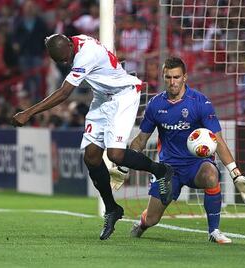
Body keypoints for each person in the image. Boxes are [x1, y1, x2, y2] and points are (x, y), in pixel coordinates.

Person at [11, 33, 174, 240]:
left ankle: (161, 170)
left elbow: (64, 93)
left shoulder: (86, 54)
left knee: (115, 154)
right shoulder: (74, 43)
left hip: (123, 95)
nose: (65, 62)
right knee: (91, 156)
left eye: (65, 57)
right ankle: (112, 208)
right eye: (60, 60)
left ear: (70, 45)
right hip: (102, 98)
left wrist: (28, 112)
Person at [114, 56, 245, 243]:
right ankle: (142, 223)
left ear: (185, 77)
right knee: (152, 219)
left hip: (196, 165)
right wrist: (123, 166)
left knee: (211, 175)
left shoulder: (200, 103)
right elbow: (141, 140)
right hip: (168, 170)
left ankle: (214, 231)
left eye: (176, 77)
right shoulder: (155, 105)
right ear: (163, 77)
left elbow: (218, 140)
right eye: (168, 77)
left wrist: (236, 174)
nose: (172, 82)